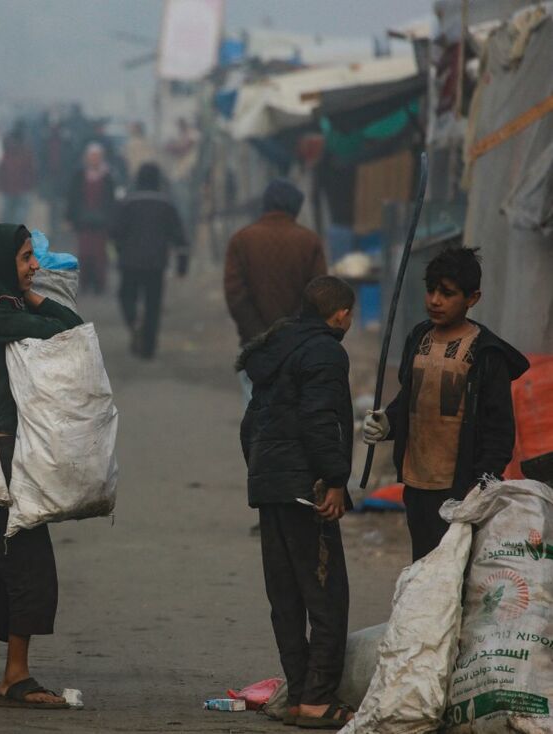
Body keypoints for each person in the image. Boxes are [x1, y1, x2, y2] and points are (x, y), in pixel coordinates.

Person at [0, 223, 82, 710]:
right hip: (4, 457)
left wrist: (27, 296)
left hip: (8, 453)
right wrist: (34, 301)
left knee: (1, 561)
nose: (34, 267)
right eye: (26, 258)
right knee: (29, 562)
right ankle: (16, 677)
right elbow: (70, 329)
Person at [238, 275, 357, 729]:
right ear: (341, 314)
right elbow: (320, 419)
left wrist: (264, 472)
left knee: (286, 596)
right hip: (306, 489)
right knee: (327, 596)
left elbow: (251, 427)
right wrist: (333, 480)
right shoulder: (326, 352)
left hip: (270, 486)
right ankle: (316, 700)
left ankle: (298, 695)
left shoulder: (277, 349)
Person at [362, 248, 528, 562]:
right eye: (431, 290)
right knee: (423, 570)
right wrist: (387, 423)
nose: (435, 300)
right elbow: (411, 399)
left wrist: (480, 484)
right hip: (416, 482)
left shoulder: (486, 353)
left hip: (459, 489)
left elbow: (499, 431)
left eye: (447, 293)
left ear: (472, 298)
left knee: (454, 576)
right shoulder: (418, 338)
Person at [224, 178, 326, 406]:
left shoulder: (241, 240)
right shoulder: (309, 241)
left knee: (257, 416)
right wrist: (293, 331)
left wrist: (260, 336)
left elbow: (235, 295)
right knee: (295, 415)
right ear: (295, 208)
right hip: (299, 345)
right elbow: (319, 293)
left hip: (255, 346)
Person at [109, 163, 189, 358]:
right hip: (156, 263)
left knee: (126, 295)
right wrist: (182, 265)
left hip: (130, 262)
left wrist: (119, 253)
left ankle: (133, 320)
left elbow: (115, 232)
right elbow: (180, 237)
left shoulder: (127, 202)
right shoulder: (167, 204)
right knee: (153, 303)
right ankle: (149, 348)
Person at [66, 142, 117, 295]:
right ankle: (85, 284)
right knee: (84, 253)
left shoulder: (108, 177)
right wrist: (69, 217)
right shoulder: (79, 175)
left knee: (100, 255)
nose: (94, 159)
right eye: (91, 156)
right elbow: (73, 198)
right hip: (83, 222)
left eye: (97, 157)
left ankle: (99, 285)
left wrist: (112, 220)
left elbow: (112, 200)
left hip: (101, 223)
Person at [0, 122, 37, 225]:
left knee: (9, 217)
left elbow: (1, 171)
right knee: (17, 218)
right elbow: (31, 171)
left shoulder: (8, 152)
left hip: (12, 189)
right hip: (20, 189)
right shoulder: (26, 152)